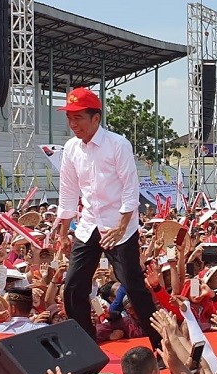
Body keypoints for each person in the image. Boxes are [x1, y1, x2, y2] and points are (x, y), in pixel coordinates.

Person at [56, 87, 160, 350]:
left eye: (78, 117)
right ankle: (87, 346)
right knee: (72, 286)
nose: (73, 124)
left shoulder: (118, 144)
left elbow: (130, 188)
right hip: (88, 224)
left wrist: (122, 225)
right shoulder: (70, 148)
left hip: (119, 227)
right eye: (70, 117)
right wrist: (63, 232)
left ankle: (162, 345)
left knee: (134, 289)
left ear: (95, 118)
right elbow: (68, 189)